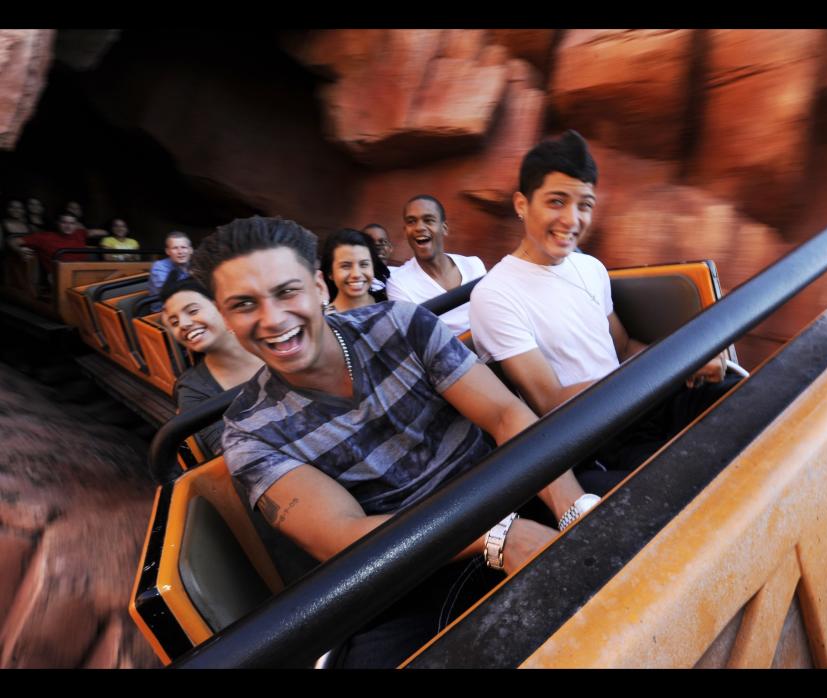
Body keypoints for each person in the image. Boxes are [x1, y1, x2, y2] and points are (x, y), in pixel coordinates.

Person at [190, 216, 608, 668]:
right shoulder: (250, 432)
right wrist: (501, 537)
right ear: (226, 317)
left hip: (510, 488)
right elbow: (344, 537)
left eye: (286, 291)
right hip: (409, 566)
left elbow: (505, 415)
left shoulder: (402, 324)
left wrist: (572, 511)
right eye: (244, 304)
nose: (272, 319)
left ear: (317, 285)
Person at [470, 130, 739, 471]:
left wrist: (687, 360)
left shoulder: (590, 267)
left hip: (642, 401)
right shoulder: (495, 295)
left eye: (584, 206)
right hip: (593, 440)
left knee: (744, 394)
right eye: (556, 202)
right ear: (522, 205)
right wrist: (667, 368)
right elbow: (549, 403)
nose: (572, 220)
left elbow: (624, 348)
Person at [160, 275, 264, 458]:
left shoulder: (274, 339)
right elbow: (237, 457)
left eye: (192, 311)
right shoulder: (192, 390)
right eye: (174, 322)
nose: (183, 324)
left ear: (222, 308)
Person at [385, 196, 485, 335]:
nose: (419, 227)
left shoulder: (473, 265)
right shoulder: (399, 283)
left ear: (444, 228)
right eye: (411, 221)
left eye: (428, 220)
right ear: (405, 232)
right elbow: (419, 341)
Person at [319, 228, 389, 314]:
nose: (356, 274)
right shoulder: (323, 320)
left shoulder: (391, 304)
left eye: (364, 264)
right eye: (345, 266)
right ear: (330, 272)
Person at [10, 212, 96, 273]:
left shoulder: (80, 233)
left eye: (72, 223)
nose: (68, 226)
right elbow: (12, 241)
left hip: (83, 272)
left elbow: (96, 232)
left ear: (76, 225)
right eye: (64, 222)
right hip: (58, 275)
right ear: (58, 223)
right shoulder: (44, 237)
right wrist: (19, 250)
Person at [147, 231, 193, 311]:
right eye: (175, 248)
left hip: (190, 306)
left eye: (184, 247)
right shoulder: (159, 267)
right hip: (162, 312)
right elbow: (172, 295)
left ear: (190, 250)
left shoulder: (195, 263)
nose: (180, 252)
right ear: (167, 251)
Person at [361, 223, 397, 294]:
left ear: (390, 248)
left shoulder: (399, 275)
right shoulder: (356, 280)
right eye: (370, 243)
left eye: (382, 242)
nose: (377, 246)